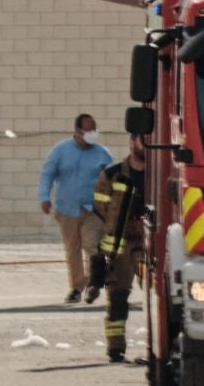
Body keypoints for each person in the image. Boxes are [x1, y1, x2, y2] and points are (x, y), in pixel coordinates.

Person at [38, 114, 113, 305]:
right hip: (67, 208)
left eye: (94, 129)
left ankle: (93, 285)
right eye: (89, 129)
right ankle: (77, 287)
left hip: (93, 210)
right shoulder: (60, 151)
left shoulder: (102, 154)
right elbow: (47, 174)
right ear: (78, 131)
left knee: (92, 246)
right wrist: (44, 198)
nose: (92, 133)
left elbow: (113, 179)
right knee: (73, 249)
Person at [90, 136, 149, 362]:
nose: (146, 144)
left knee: (159, 295)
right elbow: (101, 205)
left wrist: (141, 220)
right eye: (142, 140)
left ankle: (161, 347)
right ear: (132, 142)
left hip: (149, 242)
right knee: (117, 295)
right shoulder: (113, 174)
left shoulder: (160, 171)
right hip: (120, 245)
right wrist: (118, 224)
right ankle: (116, 346)